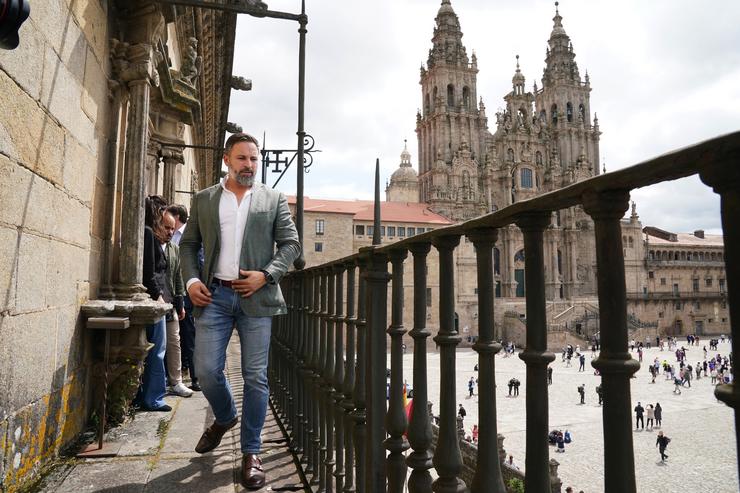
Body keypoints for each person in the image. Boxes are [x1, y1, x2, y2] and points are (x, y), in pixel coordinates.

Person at [180, 132, 301, 489]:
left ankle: (251, 452)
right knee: (205, 370)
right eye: (242, 158)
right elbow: (189, 245)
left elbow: (291, 244)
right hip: (214, 295)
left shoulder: (273, 199)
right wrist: (190, 282)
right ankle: (226, 416)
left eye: (253, 159)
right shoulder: (204, 199)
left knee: (255, 377)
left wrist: (266, 275)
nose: (249, 165)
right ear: (226, 160)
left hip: (256, 298)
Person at [134, 196, 171, 412]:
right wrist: (158, 295)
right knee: (158, 350)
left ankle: (148, 396)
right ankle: (153, 398)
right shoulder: (148, 233)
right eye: (162, 212)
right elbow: (149, 272)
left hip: (154, 299)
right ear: (157, 213)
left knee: (156, 350)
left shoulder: (149, 234)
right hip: (153, 300)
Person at [160, 210, 193, 398]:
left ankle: (177, 382)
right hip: (155, 302)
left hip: (171, 303)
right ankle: (157, 383)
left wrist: (180, 304)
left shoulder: (174, 249)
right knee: (157, 346)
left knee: (175, 342)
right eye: (166, 227)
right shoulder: (153, 244)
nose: (170, 232)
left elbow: (179, 277)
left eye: (172, 228)